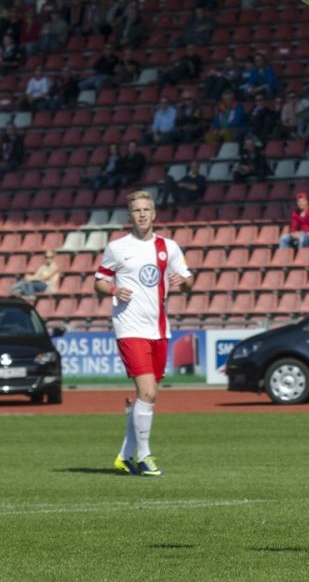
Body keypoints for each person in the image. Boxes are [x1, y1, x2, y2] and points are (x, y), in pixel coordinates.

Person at [95, 190, 194, 477]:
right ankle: (145, 457)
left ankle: (124, 456)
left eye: (146, 210)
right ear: (130, 215)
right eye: (136, 210)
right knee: (149, 391)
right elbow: (99, 281)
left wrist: (183, 282)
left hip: (159, 329)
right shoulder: (117, 247)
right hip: (129, 327)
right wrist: (114, 289)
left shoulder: (168, 247)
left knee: (145, 395)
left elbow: (188, 281)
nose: (141, 214)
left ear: (154, 214)